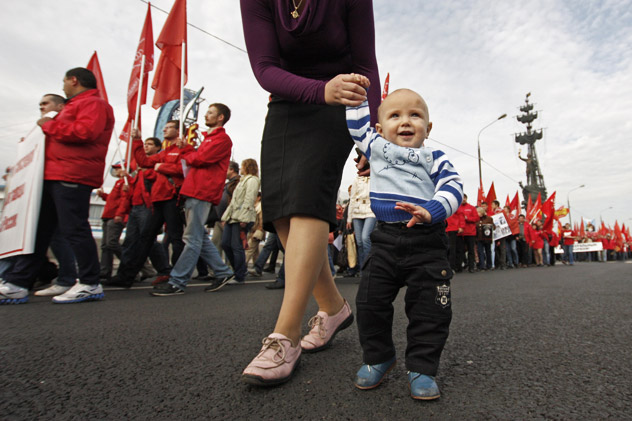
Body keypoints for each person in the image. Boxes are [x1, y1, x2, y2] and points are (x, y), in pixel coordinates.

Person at [240, 0, 380, 387]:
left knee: (307, 207)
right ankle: (333, 307)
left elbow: (366, 64)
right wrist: (320, 90)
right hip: (288, 103)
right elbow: (265, 68)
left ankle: (283, 338)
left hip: (343, 102)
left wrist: (372, 132)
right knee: (281, 212)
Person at [347, 86, 463, 399]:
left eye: (415, 115)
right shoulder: (375, 148)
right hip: (384, 239)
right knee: (369, 302)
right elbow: (356, 126)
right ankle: (379, 357)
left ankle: (422, 368)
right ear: (380, 128)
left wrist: (432, 209)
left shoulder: (434, 156)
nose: (405, 121)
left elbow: (453, 186)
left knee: (430, 310)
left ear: (429, 127)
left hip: (428, 241)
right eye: (395, 115)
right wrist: (357, 97)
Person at [0, 67, 114, 304]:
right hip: (52, 175)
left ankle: (90, 282)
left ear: (74, 80)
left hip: (72, 175)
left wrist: (48, 126)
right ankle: (18, 282)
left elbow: (85, 132)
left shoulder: (94, 104)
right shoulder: (72, 106)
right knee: (39, 231)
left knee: (74, 228)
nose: (62, 86)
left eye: (64, 81)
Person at [151, 103, 235, 296]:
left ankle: (178, 281)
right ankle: (222, 272)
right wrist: (189, 150)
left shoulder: (222, 139)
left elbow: (200, 159)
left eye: (211, 112)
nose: (206, 115)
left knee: (192, 238)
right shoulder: (210, 139)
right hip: (194, 190)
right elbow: (197, 157)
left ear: (220, 117)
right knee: (197, 237)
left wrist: (188, 152)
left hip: (201, 191)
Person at [110, 120, 194, 286]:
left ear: (178, 131)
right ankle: (127, 276)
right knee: (145, 237)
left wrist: (161, 167)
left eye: (169, 127)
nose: (164, 129)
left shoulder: (184, 149)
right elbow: (144, 162)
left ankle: (175, 277)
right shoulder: (166, 151)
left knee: (176, 238)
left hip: (172, 198)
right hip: (158, 199)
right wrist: (137, 141)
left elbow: (183, 170)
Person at [96, 163, 130, 281]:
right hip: (108, 215)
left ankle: (130, 265)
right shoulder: (118, 183)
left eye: (118, 168)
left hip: (115, 216)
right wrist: (104, 196)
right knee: (106, 246)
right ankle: (105, 271)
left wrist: (119, 214)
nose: (116, 171)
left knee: (111, 243)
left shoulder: (125, 183)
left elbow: (124, 200)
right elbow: (113, 199)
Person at [347, 175, 376, 273]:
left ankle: (369, 268)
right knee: (359, 242)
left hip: (370, 211)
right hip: (357, 211)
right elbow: (352, 198)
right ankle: (362, 269)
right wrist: (349, 219)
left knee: (365, 238)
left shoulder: (374, 178)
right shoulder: (356, 180)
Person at [456, 194, 479, 273]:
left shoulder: (471, 208)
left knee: (471, 250)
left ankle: (471, 267)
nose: (463, 199)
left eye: (464, 198)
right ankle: (460, 266)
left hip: (470, 232)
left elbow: (476, 218)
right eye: (462, 198)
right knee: (460, 250)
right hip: (460, 233)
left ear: (466, 198)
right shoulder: (457, 208)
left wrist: (467, 218)